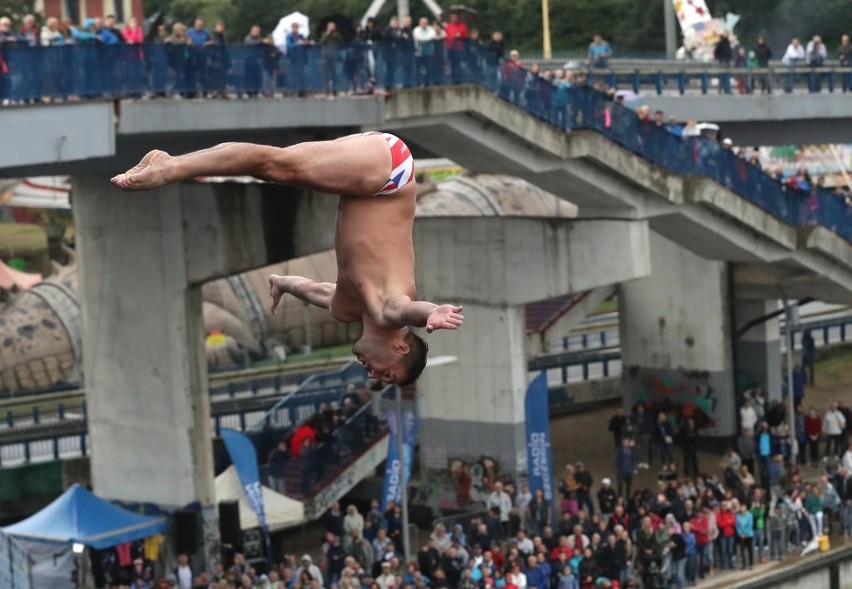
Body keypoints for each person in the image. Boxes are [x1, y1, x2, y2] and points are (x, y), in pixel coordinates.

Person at [112, 134, 464, 386]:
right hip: (389, 175)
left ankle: (174, 164)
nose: (372, 373)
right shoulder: (388, 309)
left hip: (368, 177)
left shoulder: (347, 308)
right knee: (276, 166)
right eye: (386, 372)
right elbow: (408, 309)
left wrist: (284, 284)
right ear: (400, 346)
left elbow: (315, 289)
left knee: (274, 162)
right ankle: (170, 167)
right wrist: (432, 312)